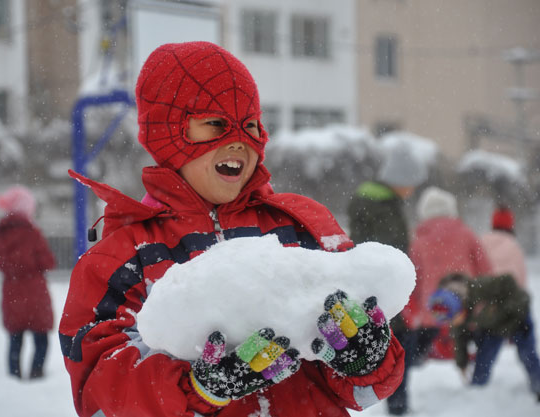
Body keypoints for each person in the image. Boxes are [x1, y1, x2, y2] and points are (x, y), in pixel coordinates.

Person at [58, 41, 405, 417]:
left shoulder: (301, 228)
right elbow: (99, 387)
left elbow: (357, 387)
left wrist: (366, 361)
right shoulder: (125, 255)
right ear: (169, 133)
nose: (239, 140)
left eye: (251, 125)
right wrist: (199, 389)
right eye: (217, 124)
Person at [347, 140, 426, 415]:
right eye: (411, 182)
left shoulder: (372, 199)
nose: (412, 189)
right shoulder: (383, 206)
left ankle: (394, 401)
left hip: (371, 284)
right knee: (399, 345)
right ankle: (398, 404)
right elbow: (392, 249)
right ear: (399, 179)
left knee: (391, 344)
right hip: (383, 288)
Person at [404, 187, 493, 362]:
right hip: (465, 302)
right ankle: (478, 377)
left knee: (427, 353)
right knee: (477, 343)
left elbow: (414, 277)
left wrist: (415, 309)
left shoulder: (419, 241)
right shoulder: (466, 233)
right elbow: (484, 268)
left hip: (434, 308)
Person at [429, 273, 540, 401]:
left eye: (454, 319)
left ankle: (538, 386)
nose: (454, 323)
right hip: (492, 328)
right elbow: (460, 339)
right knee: (483, 360)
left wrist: (500, 310)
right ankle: (476, 396)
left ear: (460, 305)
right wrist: (462, 364)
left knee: (527, 355)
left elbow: (510, 283)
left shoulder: (478, 289)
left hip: (519, 319)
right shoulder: (456, 315)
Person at [0, 185, 55, 379]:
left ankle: (14, 375)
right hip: (34, 289)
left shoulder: (0, 232)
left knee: (15, 337)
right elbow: (48, 261)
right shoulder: (32, 231)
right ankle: (36, 373)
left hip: (12, 290)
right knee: (41, 338)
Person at [480, 206, 528, 290]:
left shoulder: (481, 242)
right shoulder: (514, 247)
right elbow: (521, 280)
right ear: (511, 225)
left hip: (485, 294)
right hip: (508, 297)